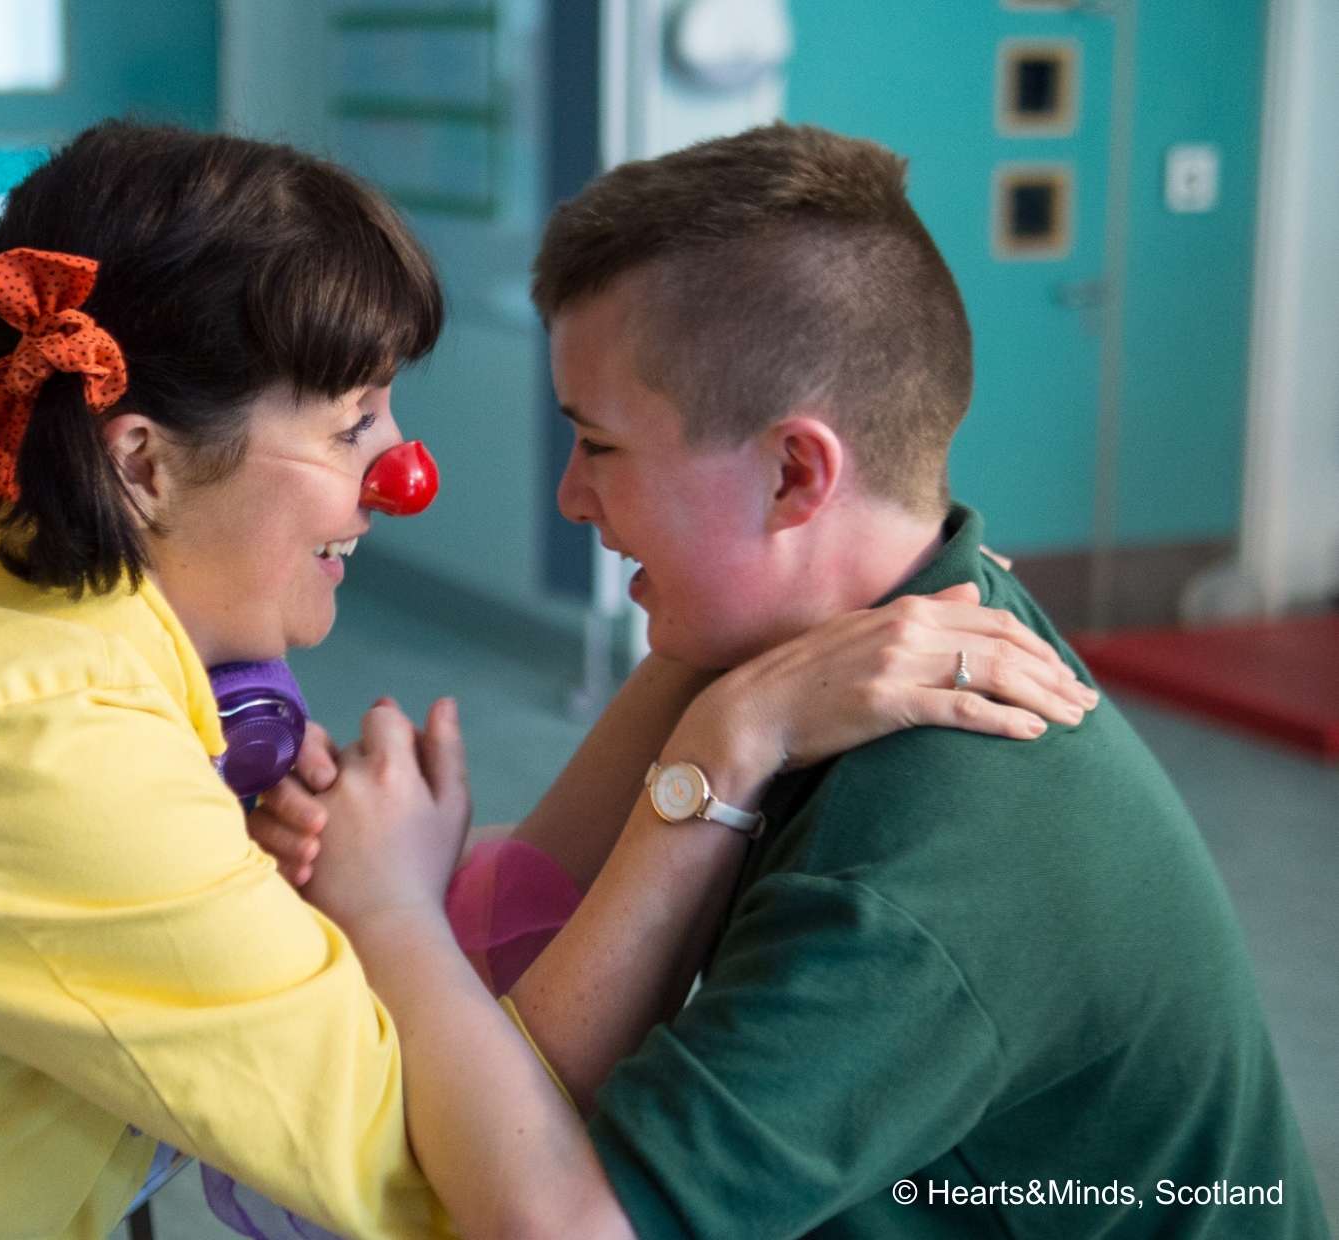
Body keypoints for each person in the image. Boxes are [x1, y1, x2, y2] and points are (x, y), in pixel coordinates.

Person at [0, 120, 1090, 1240]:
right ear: (141, 463)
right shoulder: (15, 742)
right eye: (358, 423)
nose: (401, 479)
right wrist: (728, 733)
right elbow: (455, 1173)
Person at [256, 123, 1329, 1237]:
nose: (572, 497)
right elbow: (558, 883)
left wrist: (387, 910)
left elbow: (567, 1229)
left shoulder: (920, 860)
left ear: (791, 472)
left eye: (600, 446)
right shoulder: (887, 605)